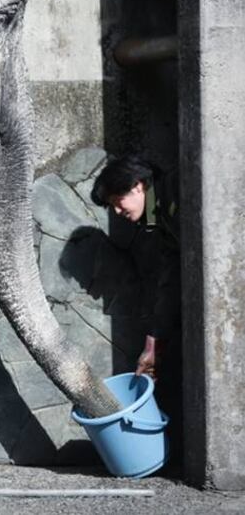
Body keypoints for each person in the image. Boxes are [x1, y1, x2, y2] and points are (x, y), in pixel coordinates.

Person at [90, 154, 180, 380]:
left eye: (116, 201)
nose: (117, 212)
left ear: (137, 186)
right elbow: (171, 283)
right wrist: (153, 345)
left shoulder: (178, 188)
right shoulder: (158, 221)